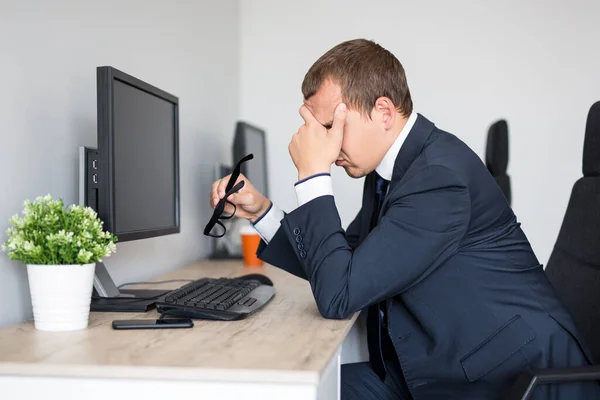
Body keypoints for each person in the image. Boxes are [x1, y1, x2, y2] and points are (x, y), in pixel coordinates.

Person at [210, 39, 599, 399]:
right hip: (444, 362)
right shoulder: (392, 169)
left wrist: (314, 176)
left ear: (382, 111)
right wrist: (261, 211)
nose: (326, 144)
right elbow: (341, 266)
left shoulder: (437, 178)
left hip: (506, 380)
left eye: (331, 127)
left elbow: (338, 294)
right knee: (285, 387)